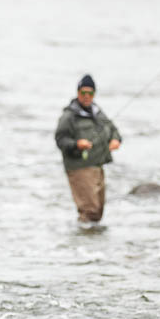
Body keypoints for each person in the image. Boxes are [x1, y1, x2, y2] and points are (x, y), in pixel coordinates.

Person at [55, 75, 122, 224]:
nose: (86, 96)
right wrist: (77, 144)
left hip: (98, 166)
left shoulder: (97, 112)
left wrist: (116, 139)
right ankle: (83, 241)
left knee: (98, 211)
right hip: (79, 168)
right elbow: (60, 139)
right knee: (89, 210)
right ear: (77, 93)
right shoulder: (69, 116)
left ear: (94, 94)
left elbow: (112, 129)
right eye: (83, 93)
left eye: (90, 93)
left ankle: (93, 241)